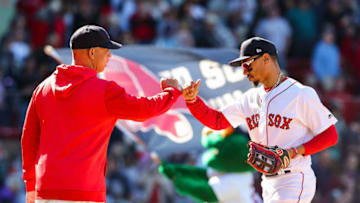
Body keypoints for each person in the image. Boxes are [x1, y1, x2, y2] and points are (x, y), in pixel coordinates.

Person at [21, 25, 182, 203]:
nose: (110, 56)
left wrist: (30, 186)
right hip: (83, 191)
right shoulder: (105, 91)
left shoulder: (43, 88)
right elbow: (143, 110)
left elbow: (28, 141)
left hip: (45, 190)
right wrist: (170, 93)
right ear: (92, 53)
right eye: (106, 50)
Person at [182, 37, 338, 203]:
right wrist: (192, 101)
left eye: (247, 63)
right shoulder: (249, 98)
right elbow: (217, 121)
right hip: (267, 182)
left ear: (265, 59)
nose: (244, 70)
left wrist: (293, 152)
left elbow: (330, 136)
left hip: (294, 179)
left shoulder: (300, 94)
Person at [158, 127, 262, 203]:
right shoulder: (231, 169)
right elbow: (203, 175)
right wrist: (176, 170)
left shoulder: (239, 178)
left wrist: (176, 178)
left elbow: (206, 193)